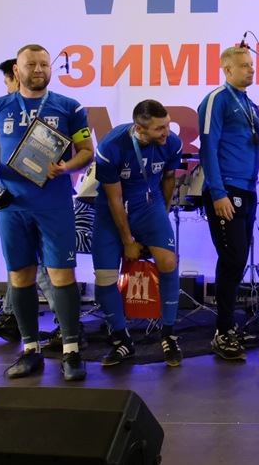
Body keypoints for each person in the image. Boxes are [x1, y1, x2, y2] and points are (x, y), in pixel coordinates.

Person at [0, 44, 93, 380]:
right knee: (20, 277)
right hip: (12, 206)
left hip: (54, 205)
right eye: (31, 64)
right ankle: (30, 350)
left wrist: (66, 166)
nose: (39, 69)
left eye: (44, 64)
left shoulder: (70, 106)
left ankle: (71, 352)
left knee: (62, 276)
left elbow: (87, 151)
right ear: (17, 70)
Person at [93, 100, 184, 367]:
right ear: (140, 129)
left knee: (168, 261)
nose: (167, 133)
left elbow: (169, 178)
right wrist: (128, 241)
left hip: (149, 205)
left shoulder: (172, 143)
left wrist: (161, 215)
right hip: (113, 209)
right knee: (104, 276)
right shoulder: (110, 147)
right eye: (160, 129)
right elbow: (114, 198)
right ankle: (122, 340)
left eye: (167, 125)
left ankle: (168, 334)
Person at [0, 58, 60, 345]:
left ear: (18, 76)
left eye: (8, 83)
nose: (7, 90)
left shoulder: (55, 109)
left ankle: (66, 325)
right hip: (14, 201)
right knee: (22, 265)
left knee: (45, 267)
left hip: (46, 201)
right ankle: (14, 318)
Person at [197, 46, 259, 361]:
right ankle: (222, 332)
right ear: (227, 69)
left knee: (236, 260)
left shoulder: (248, 103)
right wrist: (218, 192)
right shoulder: (217, 99)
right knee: (234, 258)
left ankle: (229, 326)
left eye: (251, 64)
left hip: (248, 190)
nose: (251, 69)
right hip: (227, 189)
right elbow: (208, 147)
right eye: (244, 65)